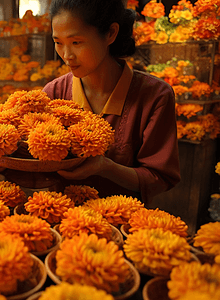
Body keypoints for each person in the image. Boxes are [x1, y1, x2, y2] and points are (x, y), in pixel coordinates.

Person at [42, 0, 180, 204]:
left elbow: (159, 178)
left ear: (110, 33)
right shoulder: (53, 93)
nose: (67, 56)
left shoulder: (155, 96)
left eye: (76, 42)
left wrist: (106, 167)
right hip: (61, 221)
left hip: (123, 226)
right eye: (58, 42)